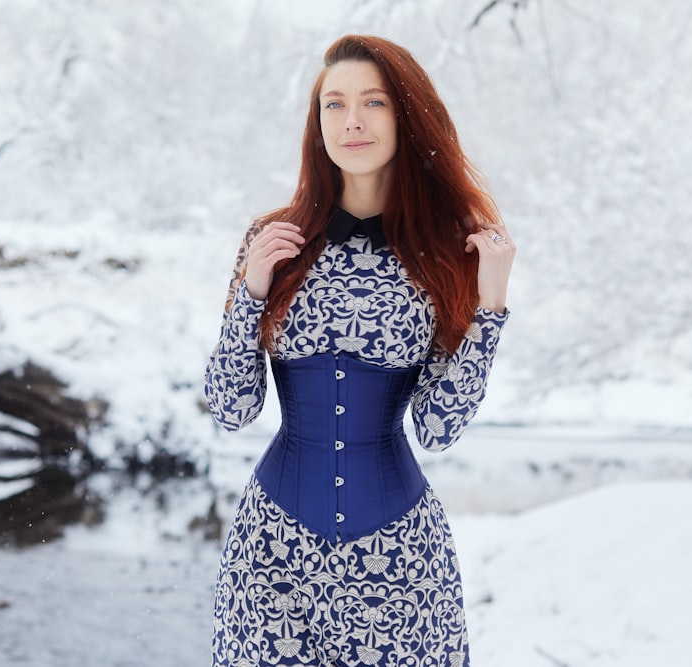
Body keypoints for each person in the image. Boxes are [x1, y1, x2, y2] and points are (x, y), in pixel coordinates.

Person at [204, 34, 514, 667]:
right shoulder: (273, 239)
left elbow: (438, 427)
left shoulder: (447, 252)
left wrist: (491, 311)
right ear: (316, 123)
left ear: (407, 115)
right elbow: (230, 408)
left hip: (400, 561)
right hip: (272, 554)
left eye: (373, 102)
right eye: (333, 104)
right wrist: (250, 295)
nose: (351, 122)